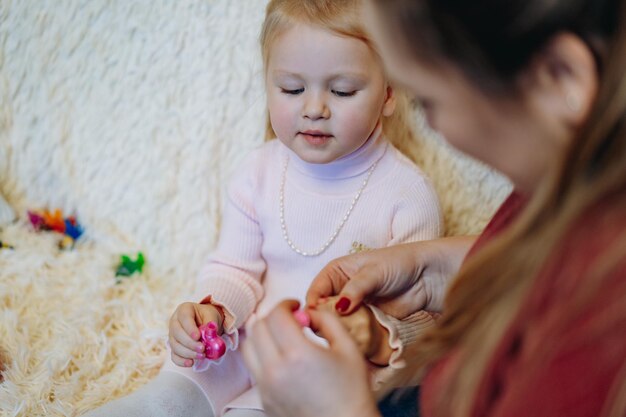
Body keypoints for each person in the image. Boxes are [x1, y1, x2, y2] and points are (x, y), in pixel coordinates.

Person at [242, 0, 626, 416]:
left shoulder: (597, 329)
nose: (434, 127)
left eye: (428, 100)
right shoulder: (569, 184)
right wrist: (441, 268)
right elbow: (550, 261)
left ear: (560, 77)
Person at [83, 1, 443, 416]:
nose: (314, 108)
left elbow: (424, 321)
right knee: (174, 392)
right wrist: (213, 312)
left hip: (328, 372)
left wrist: (378, 335)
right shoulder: (258, 171)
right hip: (247, 342)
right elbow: (235, 269)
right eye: (291, 88)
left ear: (390, 92)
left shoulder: (406, 194)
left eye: (342, 91)